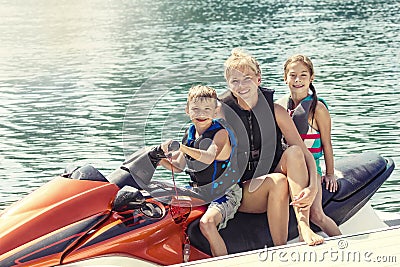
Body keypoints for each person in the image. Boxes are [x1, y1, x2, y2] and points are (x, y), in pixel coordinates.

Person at [219, 48, 324, 246]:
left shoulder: (275, 110)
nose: (241, 86)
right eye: (235, 81)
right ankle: (280, 248)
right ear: (228, 84)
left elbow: (305, 154)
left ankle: (304, 226)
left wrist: (312, 187)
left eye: (247, 78)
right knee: (277, 182)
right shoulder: (222, 113)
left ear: (259, 79)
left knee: (293, 152)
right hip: (243, 190)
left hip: (273, 173)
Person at [159, 85, 242, 256]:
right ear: (187, 110)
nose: (201, 114)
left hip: (225, 193)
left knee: (207, 223)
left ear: (215, 111)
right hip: (199, 192)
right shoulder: (189, 134)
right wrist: (157, 158)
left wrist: (182, 147)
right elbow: (178, 166)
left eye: (206, 109)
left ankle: (223, 262)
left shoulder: (220, 134)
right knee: (163, 206)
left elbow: (209, 157)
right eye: (195, 109)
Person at [276, 54, 341, 237]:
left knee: (316, 214)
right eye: (293, 75)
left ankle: (343, 243)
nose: (298, 80)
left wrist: (329, 174)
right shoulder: (280, 106)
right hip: (290, 166)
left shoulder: (317, 108)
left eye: (303, 75)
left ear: (311, 78)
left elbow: (327, 144)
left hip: (312, 166)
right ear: (285, 77)